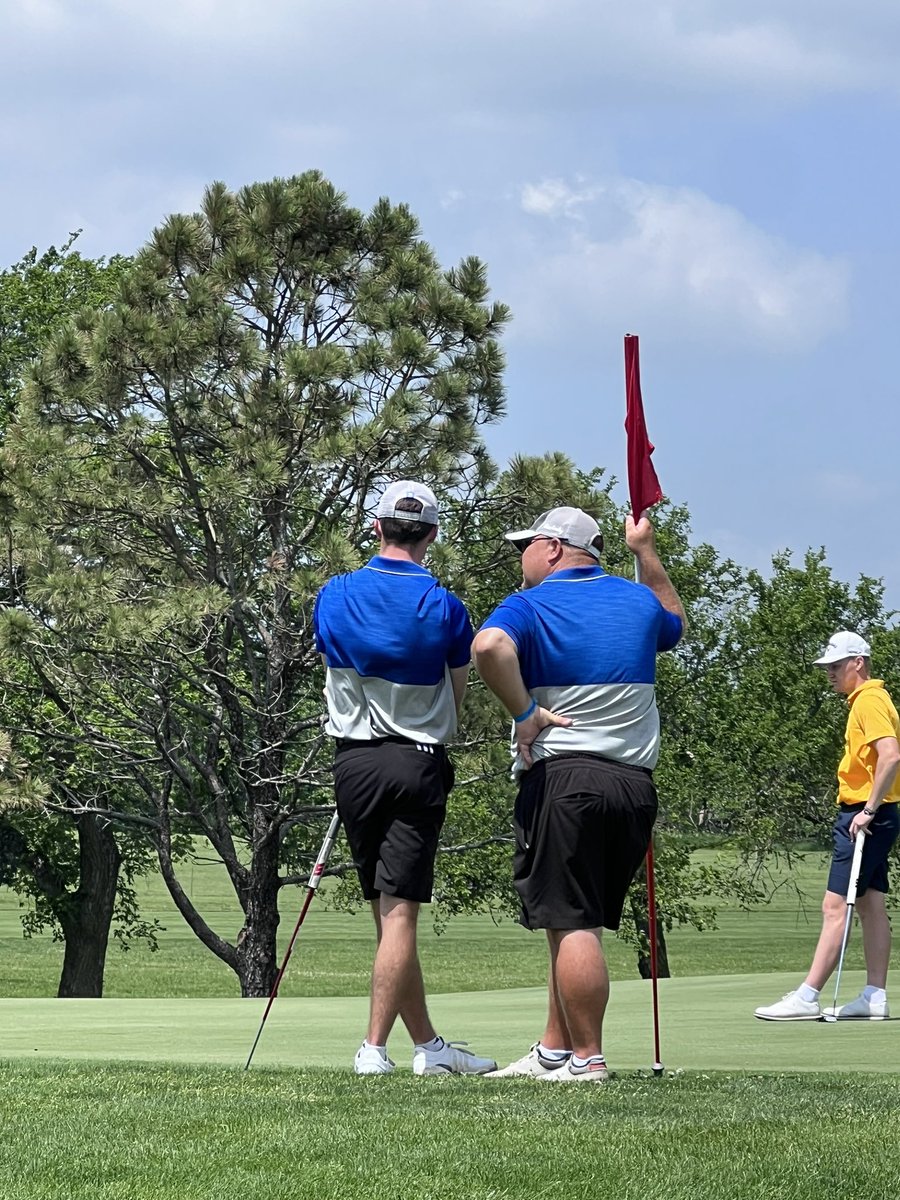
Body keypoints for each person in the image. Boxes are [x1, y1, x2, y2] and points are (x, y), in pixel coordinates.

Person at [471, 506, 685, 1082]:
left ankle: (588, 1060)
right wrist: (644, 551)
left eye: (526, 545)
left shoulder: (530, 605)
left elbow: (488, 647)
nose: (521, 558)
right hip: (634, 788)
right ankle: (553, 1049)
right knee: (567, 918)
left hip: (566, 781)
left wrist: (525, 714)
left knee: (573, 924)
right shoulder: (637, 600)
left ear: (553, 548)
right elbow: (674, 620)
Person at [313, 480, 496, 1076]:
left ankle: (430, 1048)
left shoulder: (334, 594)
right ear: (433, 536)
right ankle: (373, 1050)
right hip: (415, 760)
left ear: (376, 528)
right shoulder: (445, 606)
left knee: (387, 913)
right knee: (400, 914)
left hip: (353, 764)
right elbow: (459, 688)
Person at [755, 631, 900, 1022]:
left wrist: (867, 811)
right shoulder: (872, 699)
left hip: (865, 816)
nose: (830, 673)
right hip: (877, 814)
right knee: (871, 904)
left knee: (834, 906)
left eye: (836, 666)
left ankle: (808, 995)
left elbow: (891, 756)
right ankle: (874, 996)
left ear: (858, 662)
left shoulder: (869, 700)